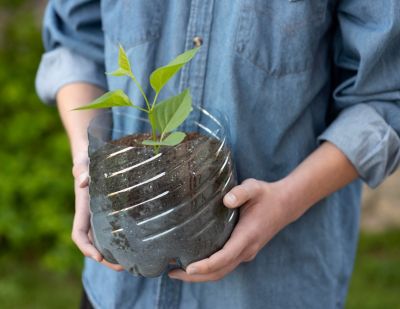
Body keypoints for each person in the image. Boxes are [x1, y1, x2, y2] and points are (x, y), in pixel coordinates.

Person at [35, 1, 400, 308]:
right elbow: (76, 43)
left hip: (269, 287)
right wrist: (87, 160)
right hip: (117, 288)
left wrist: (286, 201)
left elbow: (383, 99)